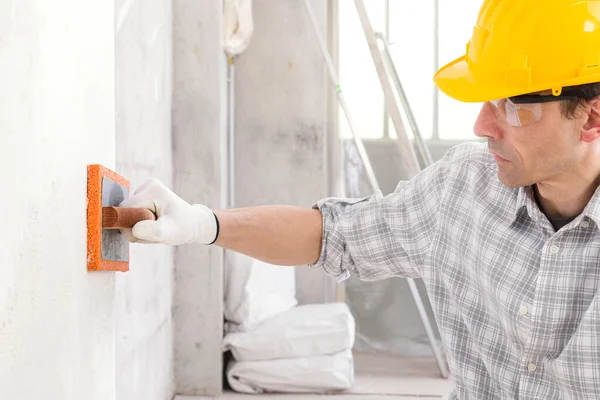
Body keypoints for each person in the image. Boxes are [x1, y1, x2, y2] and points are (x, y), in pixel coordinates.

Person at [120, 0, 600, 398]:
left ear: (592, 118)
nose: (481, 127)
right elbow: (332, 236)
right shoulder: (463, 191)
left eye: (514, 107)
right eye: (488, 100)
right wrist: (202, 224)